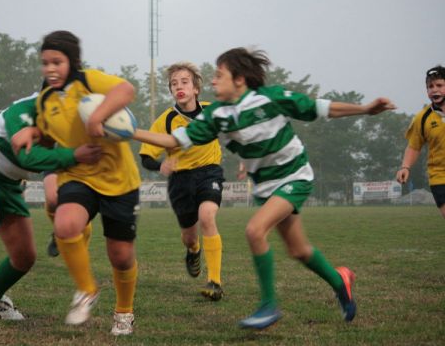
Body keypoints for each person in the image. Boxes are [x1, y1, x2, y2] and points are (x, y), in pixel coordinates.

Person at [132, 47, 396, 329]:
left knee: (255, 230)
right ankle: (339, 279)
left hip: (294, 176)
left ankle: (268, 306)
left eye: (219, 75)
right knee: (299, 250)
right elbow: (173, 141)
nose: (212, 82)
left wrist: (366, 109)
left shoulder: (271, 99)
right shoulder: (218, 115)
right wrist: (127, 131)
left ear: (239, 79)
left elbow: (321, 108)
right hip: (265, 186)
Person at [11, 30, 141, 336]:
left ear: (72, 61)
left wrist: (98, 116)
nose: (50, 69)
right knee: (66, 225)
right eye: (45, 63)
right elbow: (47, 134)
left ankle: (124, 312)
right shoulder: (45, 99)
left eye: (57, 61)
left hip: (119, 180)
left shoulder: (89, 81)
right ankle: (86, 290)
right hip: (78, 175)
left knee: (120, 256)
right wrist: (31, 134)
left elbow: (126, 90)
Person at [0, 91, 102, 330]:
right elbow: (28, 157)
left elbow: (55, 173)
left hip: (10, 185)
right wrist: (74, 155)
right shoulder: (23, 110)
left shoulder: (70, 120)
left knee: (24, 257)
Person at [139, 61, 225, 300]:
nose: (179, 87)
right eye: (174, 83)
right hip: (180, 181)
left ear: (196, 88)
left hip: (209, 172)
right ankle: (193, 250)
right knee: (189, 235)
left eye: (184, 82)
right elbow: (146, 157)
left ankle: (215, 282)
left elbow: (238, 126)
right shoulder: (166, 120)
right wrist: (161, 165)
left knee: (207, 217)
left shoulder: (212, 111)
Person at [396, 65, 445, 219]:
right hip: (440, 176)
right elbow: (414, 146)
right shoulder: (422, 118)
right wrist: (405, 167)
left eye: (439, 85)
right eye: (430, 87)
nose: (434, 90)